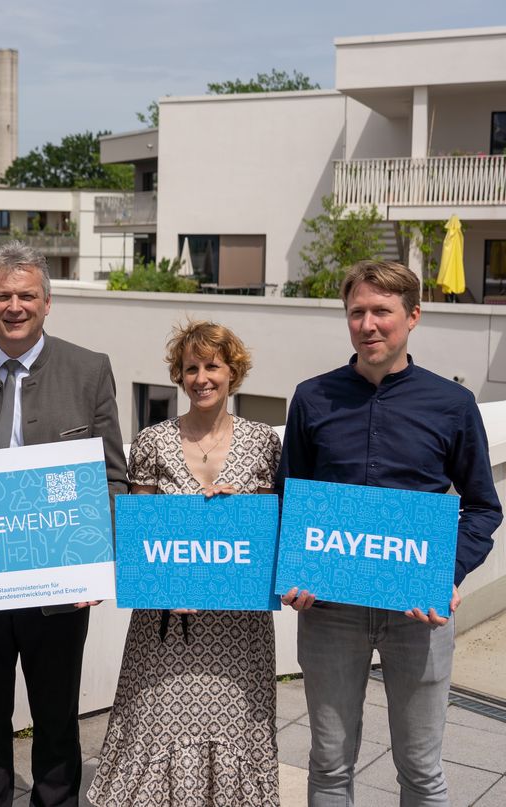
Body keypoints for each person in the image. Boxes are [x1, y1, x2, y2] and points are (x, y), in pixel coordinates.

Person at [276, 260, 502, 807]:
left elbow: (482, 508)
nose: (368, 324)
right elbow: (289, 500)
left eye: (382, 311)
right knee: (329, 764)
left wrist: (444, 574)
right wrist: (296, 569)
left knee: (421, 770)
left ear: (413, 316)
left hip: (417, 614)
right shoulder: (312, 398)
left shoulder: (452, 405)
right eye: (357, 312)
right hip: (330, 610)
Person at [0, 241, 127, 807]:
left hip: (59, 583)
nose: (15, 306)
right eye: (2, 296)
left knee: (57, 720)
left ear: (47, 303)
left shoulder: (89, 369)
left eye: (27, 295)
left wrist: (94, 564)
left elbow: (113, 476)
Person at [88, 321, 282, 807]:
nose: (201, 377)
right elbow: (138, 535)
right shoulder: (152, 441)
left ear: (233, 372)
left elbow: (275, 528)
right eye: (190, 367)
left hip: (238, 629)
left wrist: (243, 508)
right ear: (178, 375)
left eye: (212, 366)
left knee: (233, 727)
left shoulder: (264, 443)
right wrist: (165, 589)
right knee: (156, 728)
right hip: (166, 625)